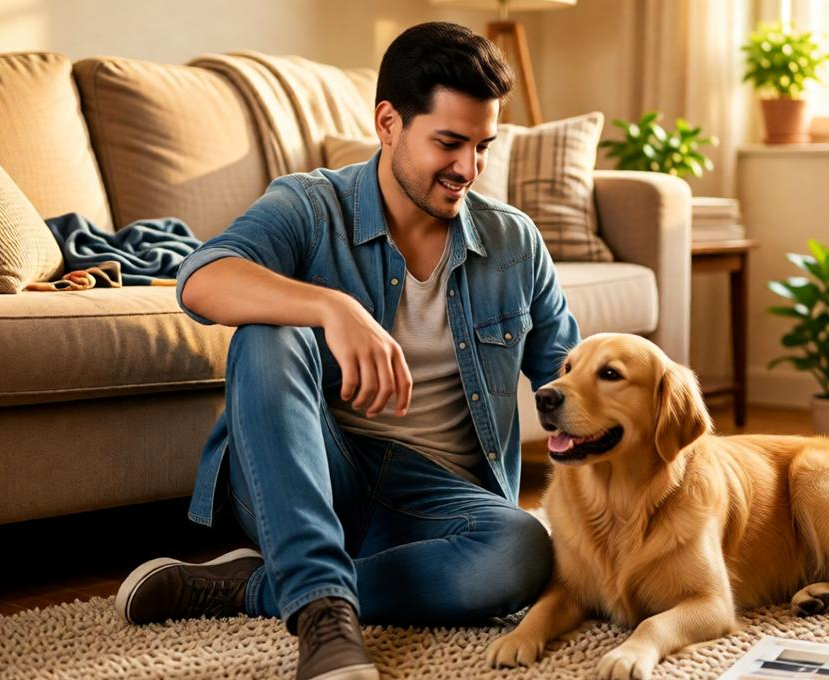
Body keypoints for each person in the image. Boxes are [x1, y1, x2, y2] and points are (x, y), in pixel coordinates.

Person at [114, 21, 580, 680]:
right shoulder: (312, 205)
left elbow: (575, 380)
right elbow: (202, 277)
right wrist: (332, 308)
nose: (467, 170)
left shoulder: (513, 242)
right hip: (309, 472)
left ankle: (259, 587)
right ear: (388, 123)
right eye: (448, 143)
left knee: (522, 549)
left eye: (482, 146)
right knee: (269, 333)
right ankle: (325, 618)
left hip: (438, 504)